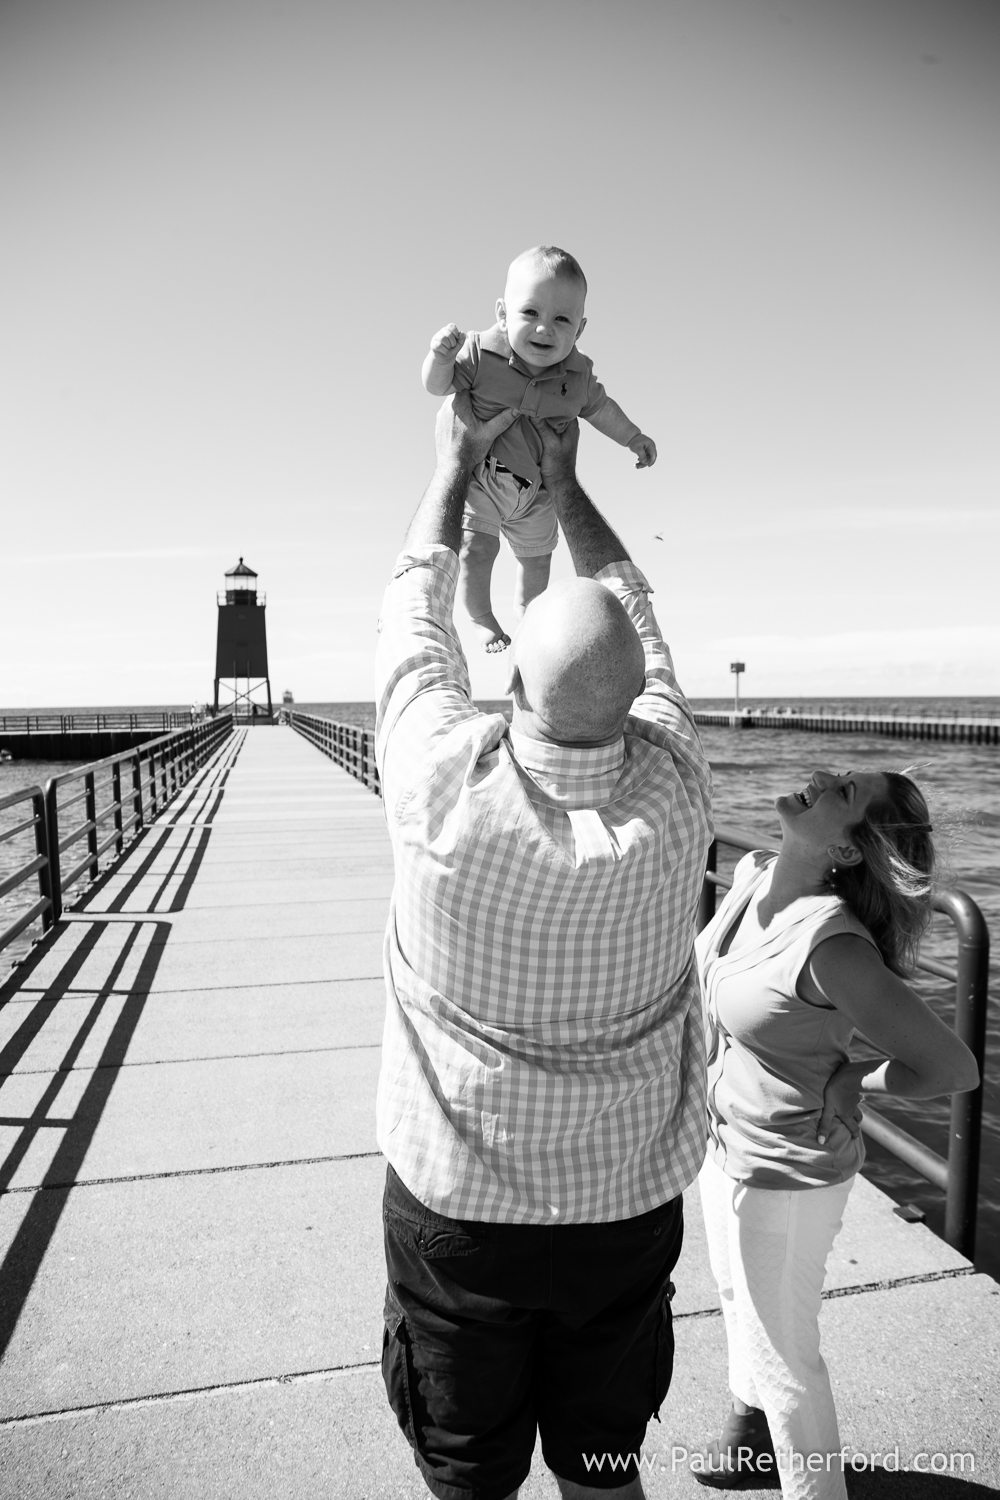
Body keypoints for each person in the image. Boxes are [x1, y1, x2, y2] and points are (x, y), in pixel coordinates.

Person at [374, 391, 712, 1500]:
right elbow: (636, 618)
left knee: (471, 1478)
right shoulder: (677, 794)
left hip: (460, 1214)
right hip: (621, 1215)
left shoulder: (437, 785)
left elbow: (415, 626)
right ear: (637, 702)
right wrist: (568, 485)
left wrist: (449, 465)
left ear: (509, 679)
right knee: (605, 1465)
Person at [692, 768, 979, 1496]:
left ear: (848, 853)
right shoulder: (756, 876)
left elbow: (950, 1066)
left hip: (786, 1176)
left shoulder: (833, 948)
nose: (823, 778)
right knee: (735, 1300)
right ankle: (748, 1437)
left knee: (787, 1357)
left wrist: (855, 1079)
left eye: (844, 792)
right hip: (725, 1144)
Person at [421, 245, 656, 653]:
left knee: (538, 561)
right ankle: (481, 618)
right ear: (502, 313)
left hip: (538, 493)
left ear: (579, 330)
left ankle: (529, 620)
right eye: (530, 313)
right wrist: (439, 357)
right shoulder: (479, 352)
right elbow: (437, 386)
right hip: (486, 477)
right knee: (478, 549)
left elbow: (601, 409)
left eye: (561, 319)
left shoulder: (577, 375)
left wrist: (633, 437)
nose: (544, 329)